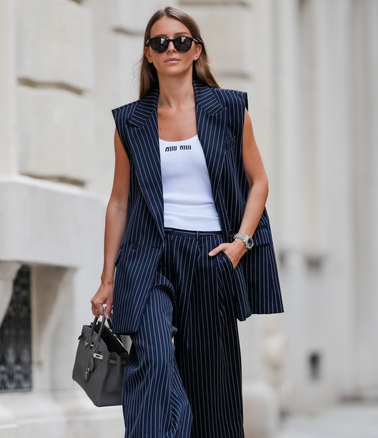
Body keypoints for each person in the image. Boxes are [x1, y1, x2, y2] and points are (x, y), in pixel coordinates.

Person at [90, 6, 284, 437]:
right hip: (148, 259)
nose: (171, 48)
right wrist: (107, 278)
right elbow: (119, 201)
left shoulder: (229, 110)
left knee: (211, 386)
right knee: (153, 363)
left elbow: (259, 181)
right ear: (149, 55)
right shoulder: (131, 122)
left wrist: (241, 242)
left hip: (211, 254)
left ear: (197, 50)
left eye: (181, 41)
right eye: (160, 42)